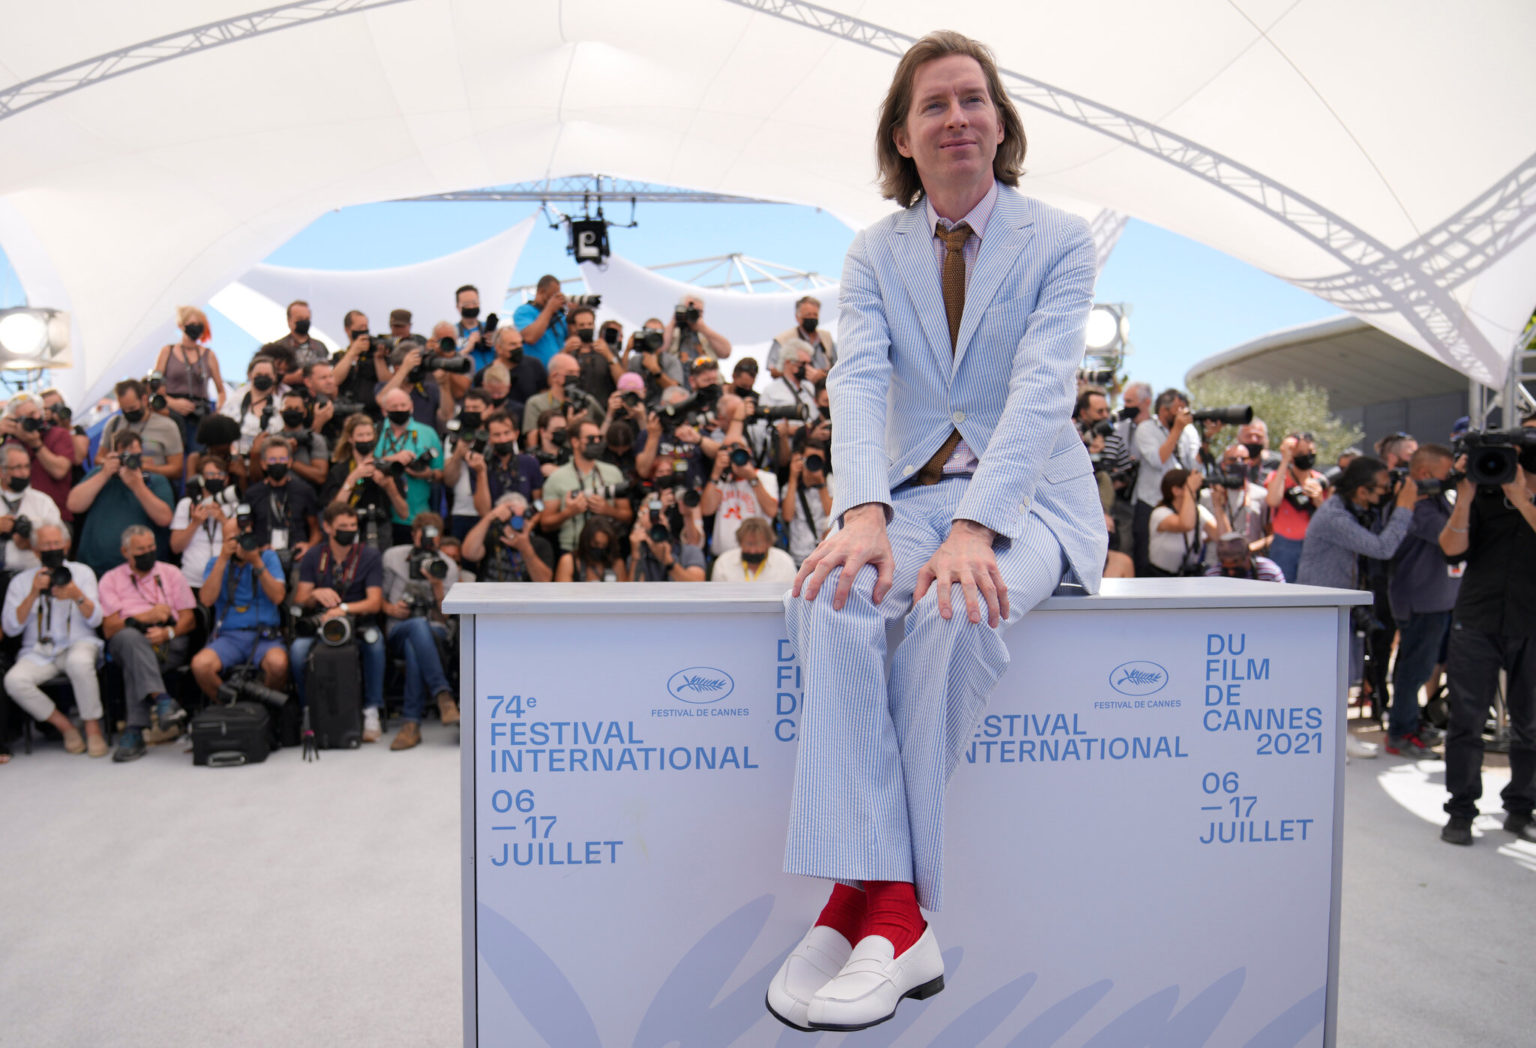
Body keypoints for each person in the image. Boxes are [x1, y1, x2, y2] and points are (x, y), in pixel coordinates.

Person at [766, 31, 1105, 1033]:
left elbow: (1042, 389)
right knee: (829, 593)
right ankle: (891, 911)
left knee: (956, 612)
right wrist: (863, 512)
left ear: (1001, 123)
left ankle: (864, 903)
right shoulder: (875, 251)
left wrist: (976, 525)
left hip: (1031, 498)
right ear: (903, 139)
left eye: (973, 99)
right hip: (906, 494)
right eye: (934, 105)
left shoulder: (1060, 239)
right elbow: (859, 379)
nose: (957, 116)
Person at [1437, 417, 1536, 846]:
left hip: (1530, 621)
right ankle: (1461, 811)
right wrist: (1464, 499)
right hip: (1476, 619)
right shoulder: (1485, 486)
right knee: (1466, 721)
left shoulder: (1519, 492)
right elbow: (1450, 551)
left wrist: (1522, 498)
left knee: (1531, 724)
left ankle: (1521, 808)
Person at [2, 523, 105, 757]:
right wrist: (33, 594)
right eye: (46, 545)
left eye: (56, 543)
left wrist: (77, 595)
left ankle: (92, 728)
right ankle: (66, 727)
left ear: (66, 545)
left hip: (79, 643)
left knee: (79, 664)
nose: (52, 549)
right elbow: (11, 628)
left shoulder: (82, 573)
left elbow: (97, 619)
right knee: (14, 681)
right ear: (35, 550)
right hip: (38, 651)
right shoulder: (22, 581)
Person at [99, 525, 199, 762]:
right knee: (131, 640)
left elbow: (189, 620)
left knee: (136, 660)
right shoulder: (111, 579)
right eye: (140, 550)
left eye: (151, 548)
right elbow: (109, 628)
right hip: (127, 641)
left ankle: (134, 731)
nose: (147, 553)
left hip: (168, 642)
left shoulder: (171, 573)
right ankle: (162, 700)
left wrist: (168, 633)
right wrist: (143, 618)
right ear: (125, 552)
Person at [1385, 444, 1460, 757]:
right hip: (1420, 603)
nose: (1452, 479)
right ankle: (1400, 734)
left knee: (1418, 666)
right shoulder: (1415, 504)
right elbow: (1450, 536)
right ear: (1425, 473)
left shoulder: (1435, 499)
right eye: (1447, 474)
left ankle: (1410, 723)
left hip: (1434, 601)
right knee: (1414, 670)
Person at [290, 505, 386, 743]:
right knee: (297, 651)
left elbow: (374, 603)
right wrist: (315, 594)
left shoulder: (369, 555)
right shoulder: (314, 556)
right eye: (343, 526)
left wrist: (343, 609)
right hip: (322, 623)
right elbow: (300, 599)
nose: (349, 531)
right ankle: (309, 711)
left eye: (353, 526)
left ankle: (371, 710)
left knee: (375, 645)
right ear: (327, 527)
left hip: (357, 621)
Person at [380, 512, 460, 751]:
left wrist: (437, 585)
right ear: (413, 534)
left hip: (435, 631)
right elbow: (377, 599)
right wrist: (391, 609)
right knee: (416, 627)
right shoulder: (393, 557)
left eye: (433, 536)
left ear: (440, 537)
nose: (427, 540)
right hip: (398, 627)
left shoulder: (447, 566)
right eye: (422, 535)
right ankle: (443, 696)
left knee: (416, 639)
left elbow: (447, 616)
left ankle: (411, 724)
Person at [191, 525, 288, 702]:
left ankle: (262, 709)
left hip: (264, 636)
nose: (240, 544)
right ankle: (229, 707)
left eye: (244, 537)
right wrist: (223, 559)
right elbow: (206, 600)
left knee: (278, 664)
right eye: (233, 539)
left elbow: (278, 597)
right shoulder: (215, 563)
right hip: (229, 637)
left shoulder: (267, 558)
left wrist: (256, 562)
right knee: (200, 665)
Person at [67, 432, 175, 579]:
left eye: (134, 454)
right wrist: (104, 474)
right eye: (124, 454)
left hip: (141, 570)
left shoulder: (155, 481)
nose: (128, 459)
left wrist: (137, 486)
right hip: (95, 568)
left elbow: (164, 519)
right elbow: (74, 504)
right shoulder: (100, 474)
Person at [1131, 388, 1200, 576]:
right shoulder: (1146, 428)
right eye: (1179, 409)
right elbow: (1157, 459)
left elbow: (1193, 466)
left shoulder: (1188, 432)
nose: (1183, 415)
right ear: (1163, 410)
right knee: (1145, 562)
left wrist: (1207, 438)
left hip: (1177, 504)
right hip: (1150, 503)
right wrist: (1176, 430)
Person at [538, 419, 631, 553]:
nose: (597, 442)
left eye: (599, 438)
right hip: (572, 549)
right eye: (591, 438)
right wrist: (569, 512)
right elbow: (545, 524)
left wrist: (608, 510)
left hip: (607, 548)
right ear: (575, 442)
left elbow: (627, 516)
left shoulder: (613, 473)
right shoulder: (557, 478)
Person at [321, 415, 409, 552]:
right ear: (350, 438)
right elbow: (333, 511)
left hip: (381, 532)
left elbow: (404, 513)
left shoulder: (386, 468)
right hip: (349, 532)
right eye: (360, 435)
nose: (365, 439)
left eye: (368, 435)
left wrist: (389, 486)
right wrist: (353, 478)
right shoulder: (339, 471)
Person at [153, 306, 227, 451]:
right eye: (192, 324)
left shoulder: (209, 355)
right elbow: (155, 386)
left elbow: (221, 391)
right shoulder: (167, 351)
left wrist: (217, 412)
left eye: (199, 324)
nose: (196, 328)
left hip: (198, 415)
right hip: (171, 412)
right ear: (181, 325)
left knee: (197, 453)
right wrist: (172, 403)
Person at [243, 437, 322, 571]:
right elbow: (245, 529)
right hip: (264, 559)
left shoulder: (304, 491)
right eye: (272, 460)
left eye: (282, 459)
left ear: (290, 462)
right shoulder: (252, 494)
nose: (278, 463)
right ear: (263, 464)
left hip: (297, 557)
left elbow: (316, 530)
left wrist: (309, 546)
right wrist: (257, 550)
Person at [1265, 432, 1328, 584]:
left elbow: (1328, 518)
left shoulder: (1321, 480)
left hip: (1314, 544)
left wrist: (1318, 499)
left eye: (1310, 451)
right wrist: (1285, 460)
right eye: (1300, 453)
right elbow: (1273, 500)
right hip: (1284, 544)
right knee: (1283, 591)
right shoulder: (1278, 477)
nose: (1307, 456)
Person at [0, 394, 75, 520]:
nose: (31, 420)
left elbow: (59, 471)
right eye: (23, 418)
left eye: (33, 413)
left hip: (56, 516)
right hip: (13, 514)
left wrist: (36, 444)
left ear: (41, 412)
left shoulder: (58, 434)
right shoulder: (10, 441)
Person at [168, 456, 240, 587]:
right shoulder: (187, 505)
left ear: (226, 479)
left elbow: (240, 546)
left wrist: (223, 520)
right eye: (211, 474)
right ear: (201, 479)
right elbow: (176, 547)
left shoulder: (235, 506)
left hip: (225, 581)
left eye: (220, 474)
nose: (216, 478)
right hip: (191, 581)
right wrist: (195, 523)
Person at [701, 436, 779, 555]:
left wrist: (752, 478)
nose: (735, 455)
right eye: (729, 450)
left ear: (749, 452)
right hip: (723, 556)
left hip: (755, 553)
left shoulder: (765, 478)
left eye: (739, 449)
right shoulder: (721, 480)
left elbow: (772, 511)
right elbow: (706, 510)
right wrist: (716, 472)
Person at [101, 379, 185, 484]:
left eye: (132, 408)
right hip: (120, 484)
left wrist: (143, 467)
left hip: (153, 485)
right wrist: (112, 463)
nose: (128, 412)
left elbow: (177, 470)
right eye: (124, 409)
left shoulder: (167, 426)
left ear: (144, 399)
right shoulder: (114, 424)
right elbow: (99, 458)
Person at [219, 355, 285, 481]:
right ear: (250, 375)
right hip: (235, 462)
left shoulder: (281, 406)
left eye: (267, 375)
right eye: (259, 374)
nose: (263, 377)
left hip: (268, 465)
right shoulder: (234, 401)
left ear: (274, 377)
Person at [463, 495, 555, 582]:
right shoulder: (492, 537)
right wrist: (490, 517)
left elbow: (544, 581)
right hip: (490, 592)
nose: (517, 522)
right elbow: (469, 554)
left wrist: (525, 548)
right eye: (511, 517)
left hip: (523, 593)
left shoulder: (540, 544)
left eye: (522, 516)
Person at [0, 443, 63, 572]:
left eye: (27, 466)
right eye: (17, 467)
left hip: (31, 574)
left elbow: (62, 541)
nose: (24, 473)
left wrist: (32, 542)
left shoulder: (43, 502)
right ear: (1, 471)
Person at [1147, 469, 1219, 576]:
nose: (1196, 489)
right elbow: (1186, 524)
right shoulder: (1160, 513)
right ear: (1176, 490)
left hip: (1188, 575)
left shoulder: (1198, 511)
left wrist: (1218, 505)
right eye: (1188, 485)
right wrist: (1190, 490)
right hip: (1161, 576)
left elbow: (1221, 536)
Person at [781, 441, 834, 567]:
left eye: (818, 459)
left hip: (825, 554)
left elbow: (832, 515)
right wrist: (793, 478)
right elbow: (787, 516)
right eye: (809, 458)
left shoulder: (830, 482)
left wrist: (821, 485)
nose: (813, 462)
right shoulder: (790, 486)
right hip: (798, 555)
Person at [768, 295, 836, 381]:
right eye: (808, 314)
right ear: (797, 317)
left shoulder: (826, 337)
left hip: (825, 386)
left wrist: (822, 374)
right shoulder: (783, 339)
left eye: (815, 315)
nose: (812, 318)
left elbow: (837, 366)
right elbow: (773, 370)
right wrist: (800, 373)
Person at [712, 516, 795, 583]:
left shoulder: (785, 562)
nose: (752, 551)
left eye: (757, 544)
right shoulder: (723, 562)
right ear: (740, 542)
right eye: (749, 544)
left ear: (769, 543)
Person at [262, 299, 329, 380]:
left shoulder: (320, 347)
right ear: (289, 321)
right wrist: (292, 378)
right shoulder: (278, 348)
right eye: (300, 319)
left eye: (307, 319)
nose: (304, 322)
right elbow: (270, 377)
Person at [513, 275, 570, 367]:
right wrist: (550, 309)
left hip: (558, 370)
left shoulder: (558, 315)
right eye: (554, 295)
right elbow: (530, 337)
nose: (556, 299)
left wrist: (574, 312)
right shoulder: (524, 311)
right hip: (535, 371)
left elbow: (571, 337)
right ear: (541, 291)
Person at [663, 293, 733, 366]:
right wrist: (673, 321)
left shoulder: (706, 334)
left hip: (706, 371)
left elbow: (726, 352)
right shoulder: (672, 333)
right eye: (689, 309)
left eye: (699, 311)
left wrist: (703, 328)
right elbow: (660, 349)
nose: (693, 313)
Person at [554, 516, 627, 582]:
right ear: (586, 541)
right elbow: (563, 591)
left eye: (604, 545)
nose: (600, 548)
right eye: (596, 544)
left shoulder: (617, 563)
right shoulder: (568, 561)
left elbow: (624, 590)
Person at [1204, 531, 1285, 581]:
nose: (1231, 572)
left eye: (1236, 568)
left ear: (1248, 556)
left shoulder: (1269, 573)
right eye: (1226, 569)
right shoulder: (1212, 577)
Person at [455, 284, 496, 373]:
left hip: (492, 378)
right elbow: (447, 361)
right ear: (458, 307)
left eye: (474, 303)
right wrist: (467, 348)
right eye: (466, 304)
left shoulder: (491, 329)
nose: (471, 307)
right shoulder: (451, 332)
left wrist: (496, 344)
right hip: (466, 380)